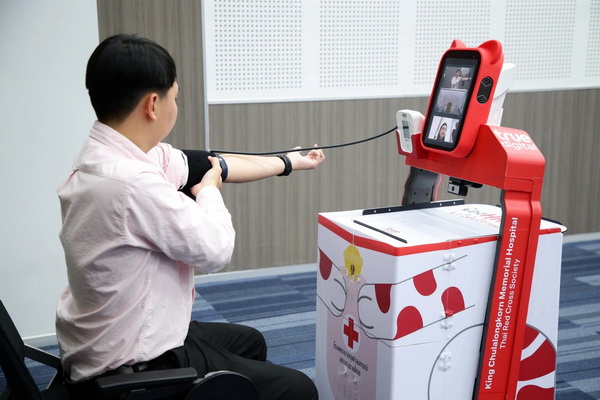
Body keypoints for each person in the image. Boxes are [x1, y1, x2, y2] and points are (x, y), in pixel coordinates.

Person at [56, 33, 324, 399]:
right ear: (153, 104)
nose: (176, 105)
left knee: (249, 341)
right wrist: (210, 192)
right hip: (135, 359)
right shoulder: (132, 183)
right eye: (176, 97)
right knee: (298, 389)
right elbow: (216, 250)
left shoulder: (106, 154)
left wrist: (289, 162)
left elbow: (207, 164)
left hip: (104, 335)